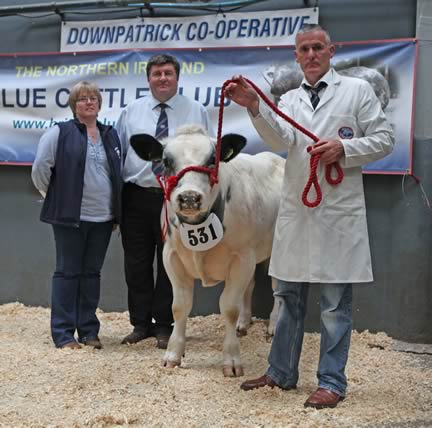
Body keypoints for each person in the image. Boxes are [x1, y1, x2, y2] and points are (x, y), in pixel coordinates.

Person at [225, 24, 394, 408]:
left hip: (338, 212)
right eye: (304, 49)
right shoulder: (288, 100)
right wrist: (254, 105)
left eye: (318, 47)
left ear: (332, 51)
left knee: (335, 304)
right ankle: (281, 372)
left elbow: (385, 138)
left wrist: (344, 149)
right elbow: (279, 139)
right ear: (297, 56)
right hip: (297, 211)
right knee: (287, 296)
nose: (312, 54)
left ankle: (331, 382)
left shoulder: (357, 91)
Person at [116, 54, 212, 349]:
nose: (162, 78)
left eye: (168, 73)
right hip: (137, 195)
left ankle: (164, 324)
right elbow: (120, 150)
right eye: (157, 73)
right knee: (136, 262)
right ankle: (140, 323)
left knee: (171, 261)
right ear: (148, 79)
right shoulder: (131, 111)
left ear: (177, 77)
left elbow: (205, 152)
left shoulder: (195, 110)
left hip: (176, 199)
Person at [32, 81, 122, 350]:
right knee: (67, 273)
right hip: (71, 218)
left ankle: (88, 330)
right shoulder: (58, 133)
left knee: (91, 274)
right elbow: (40, 169)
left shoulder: (110, 134)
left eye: (93, 98)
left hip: (103, 218)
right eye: (82, 99)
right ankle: (62, 334)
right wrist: (61, 198)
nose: (89, 102)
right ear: (74, 105)